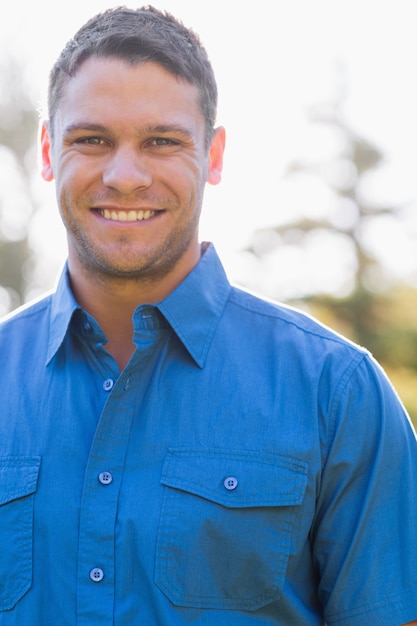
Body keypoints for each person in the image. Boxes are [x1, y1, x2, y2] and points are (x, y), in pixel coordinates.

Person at [0, 6, 416, 625]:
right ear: (48, 150)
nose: (125, 175)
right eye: (92, 140)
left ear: (214, 155)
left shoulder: (339, 393)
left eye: (161, 141)